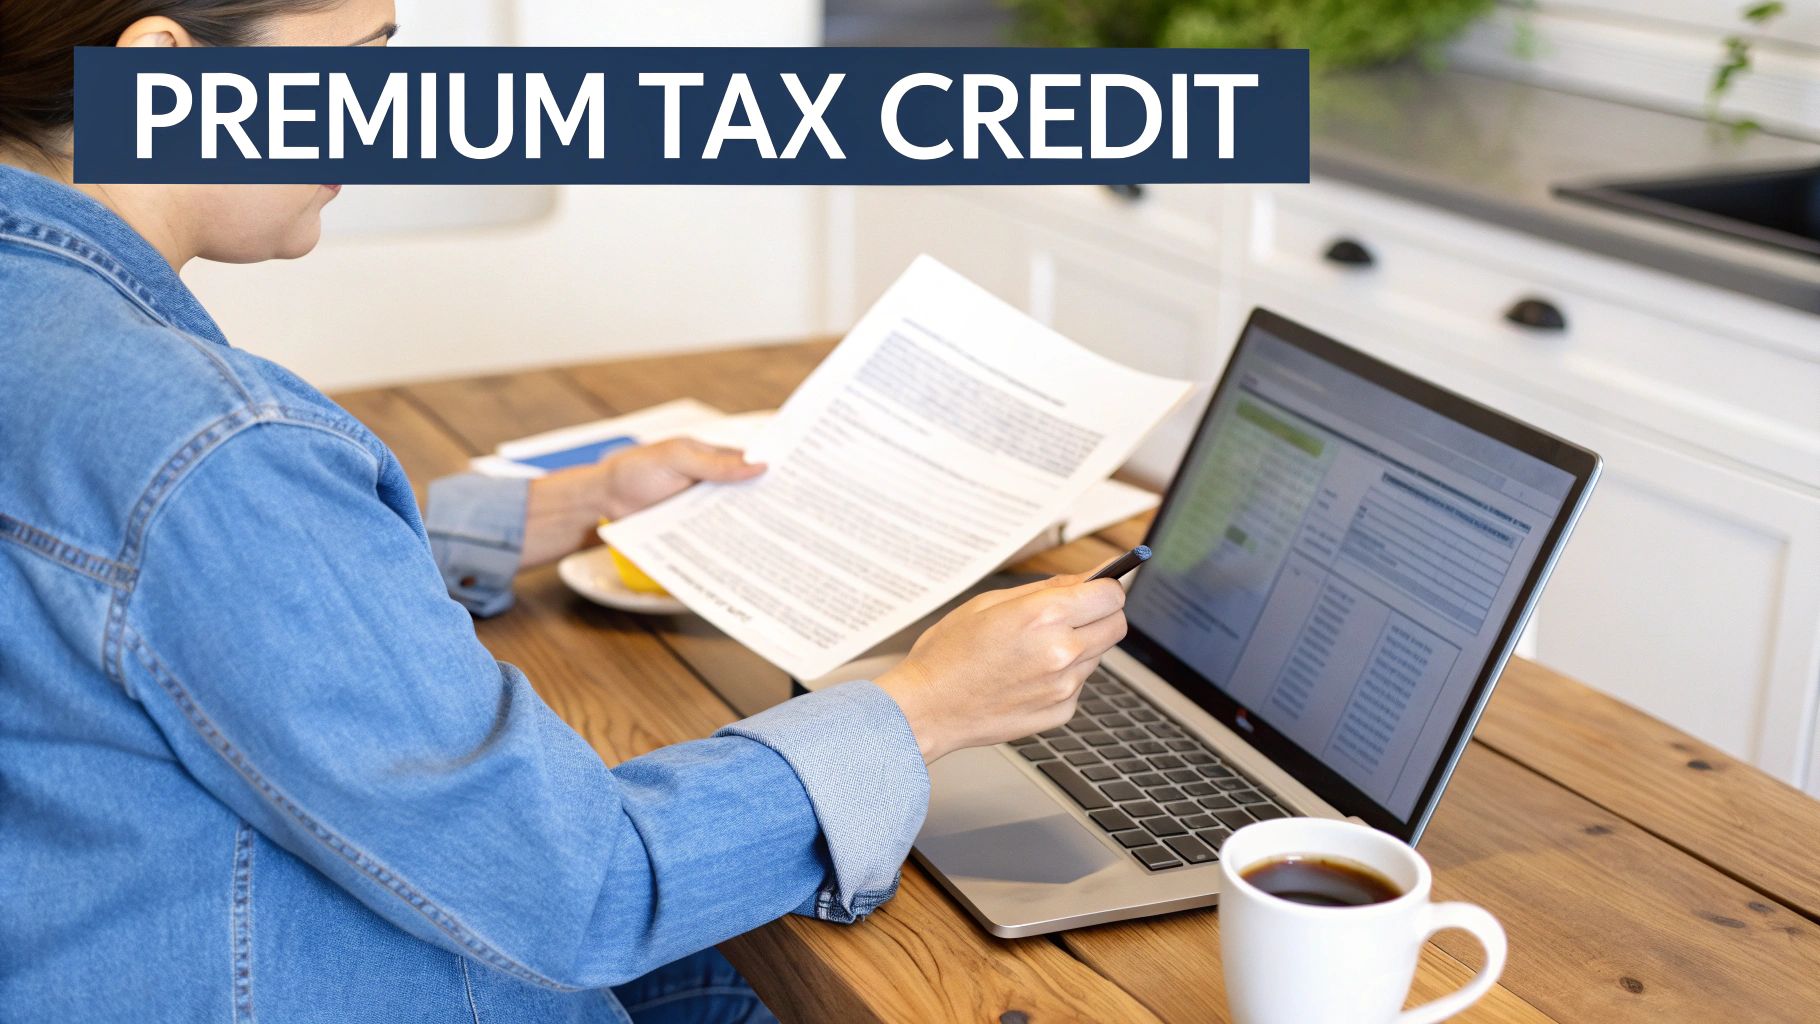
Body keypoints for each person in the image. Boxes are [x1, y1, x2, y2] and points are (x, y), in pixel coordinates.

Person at [0, 2, 1130, 1022]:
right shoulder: (210, 442)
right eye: (357, 68)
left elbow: (131, 588)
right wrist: (925, 707)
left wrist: (545, 514)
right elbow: (579, 888)